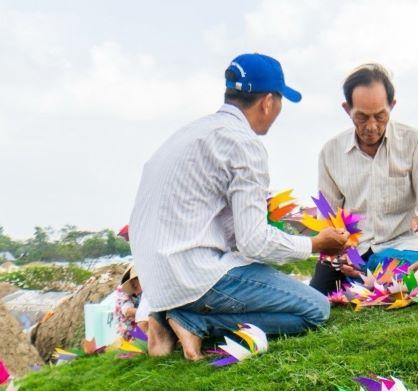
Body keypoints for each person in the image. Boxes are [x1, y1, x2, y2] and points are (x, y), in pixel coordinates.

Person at [129, 53, 348, 360]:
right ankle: (195, 321)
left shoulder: (189, 134)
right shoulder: (244, 144)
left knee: (265, 279)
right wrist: (315, 243)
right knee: (316, 309)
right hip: (196, 276)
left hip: (159, 283)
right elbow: (253, 242)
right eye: (281, 103)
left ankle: (166, 316)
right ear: (268, 102)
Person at [309, 63, 418, 294]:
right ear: (347, 109)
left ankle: (372, 276)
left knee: (388, 264)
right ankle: (364, 276)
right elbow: (330, 218)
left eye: (380, 116)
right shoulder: (330, 152)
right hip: (354, 249)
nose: (372, 127)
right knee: (316, 295)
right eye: (361, 117)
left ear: (392, 106)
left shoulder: (414, 141)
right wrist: (344, 255)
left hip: (404, 246)